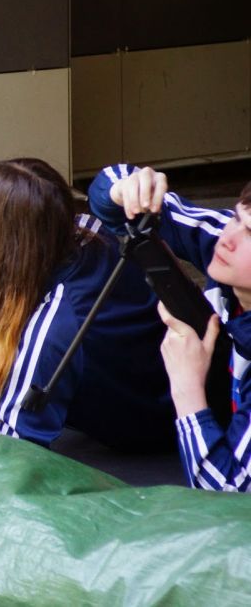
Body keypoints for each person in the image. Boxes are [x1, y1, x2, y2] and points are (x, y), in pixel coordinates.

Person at [0, 159, 175, 449]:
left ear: (15, 248)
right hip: (162, 376)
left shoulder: (54, 328)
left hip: (145, 430)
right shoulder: (88, 232)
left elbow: (8, 451)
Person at [89, 165, 251, 491]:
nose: (229, 238)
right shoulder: (223, 241)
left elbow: (229, 496)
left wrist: (187, 387)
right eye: (236, 217)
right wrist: (129, 189)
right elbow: (113, 192)